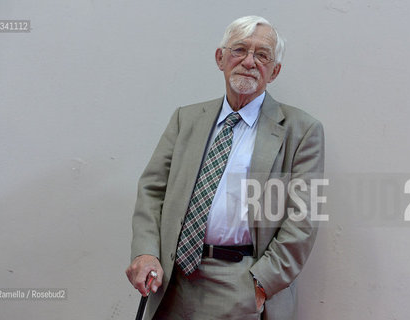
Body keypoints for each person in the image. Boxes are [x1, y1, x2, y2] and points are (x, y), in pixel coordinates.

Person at [126, 15, 325, 320]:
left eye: (262, 55)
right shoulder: (186, 120)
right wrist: (145, 252)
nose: (249, 61)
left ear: (275, 71)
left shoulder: (302, 131)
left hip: (239, 283)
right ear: (220, 58)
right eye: (239, 50)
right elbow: (153, 191)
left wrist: (259, 285)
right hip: (172, 283)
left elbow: (304, 219)